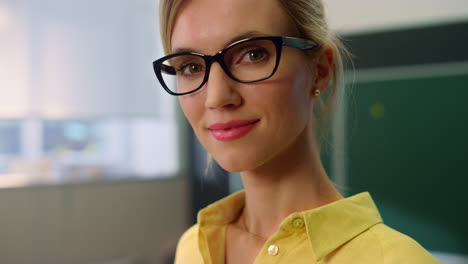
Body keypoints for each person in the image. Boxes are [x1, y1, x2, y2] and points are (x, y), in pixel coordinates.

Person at [153, 0, 441, 263]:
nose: (216, 97)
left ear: (320, 70)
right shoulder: (193, 248)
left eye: (253, 54)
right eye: (190, 67)